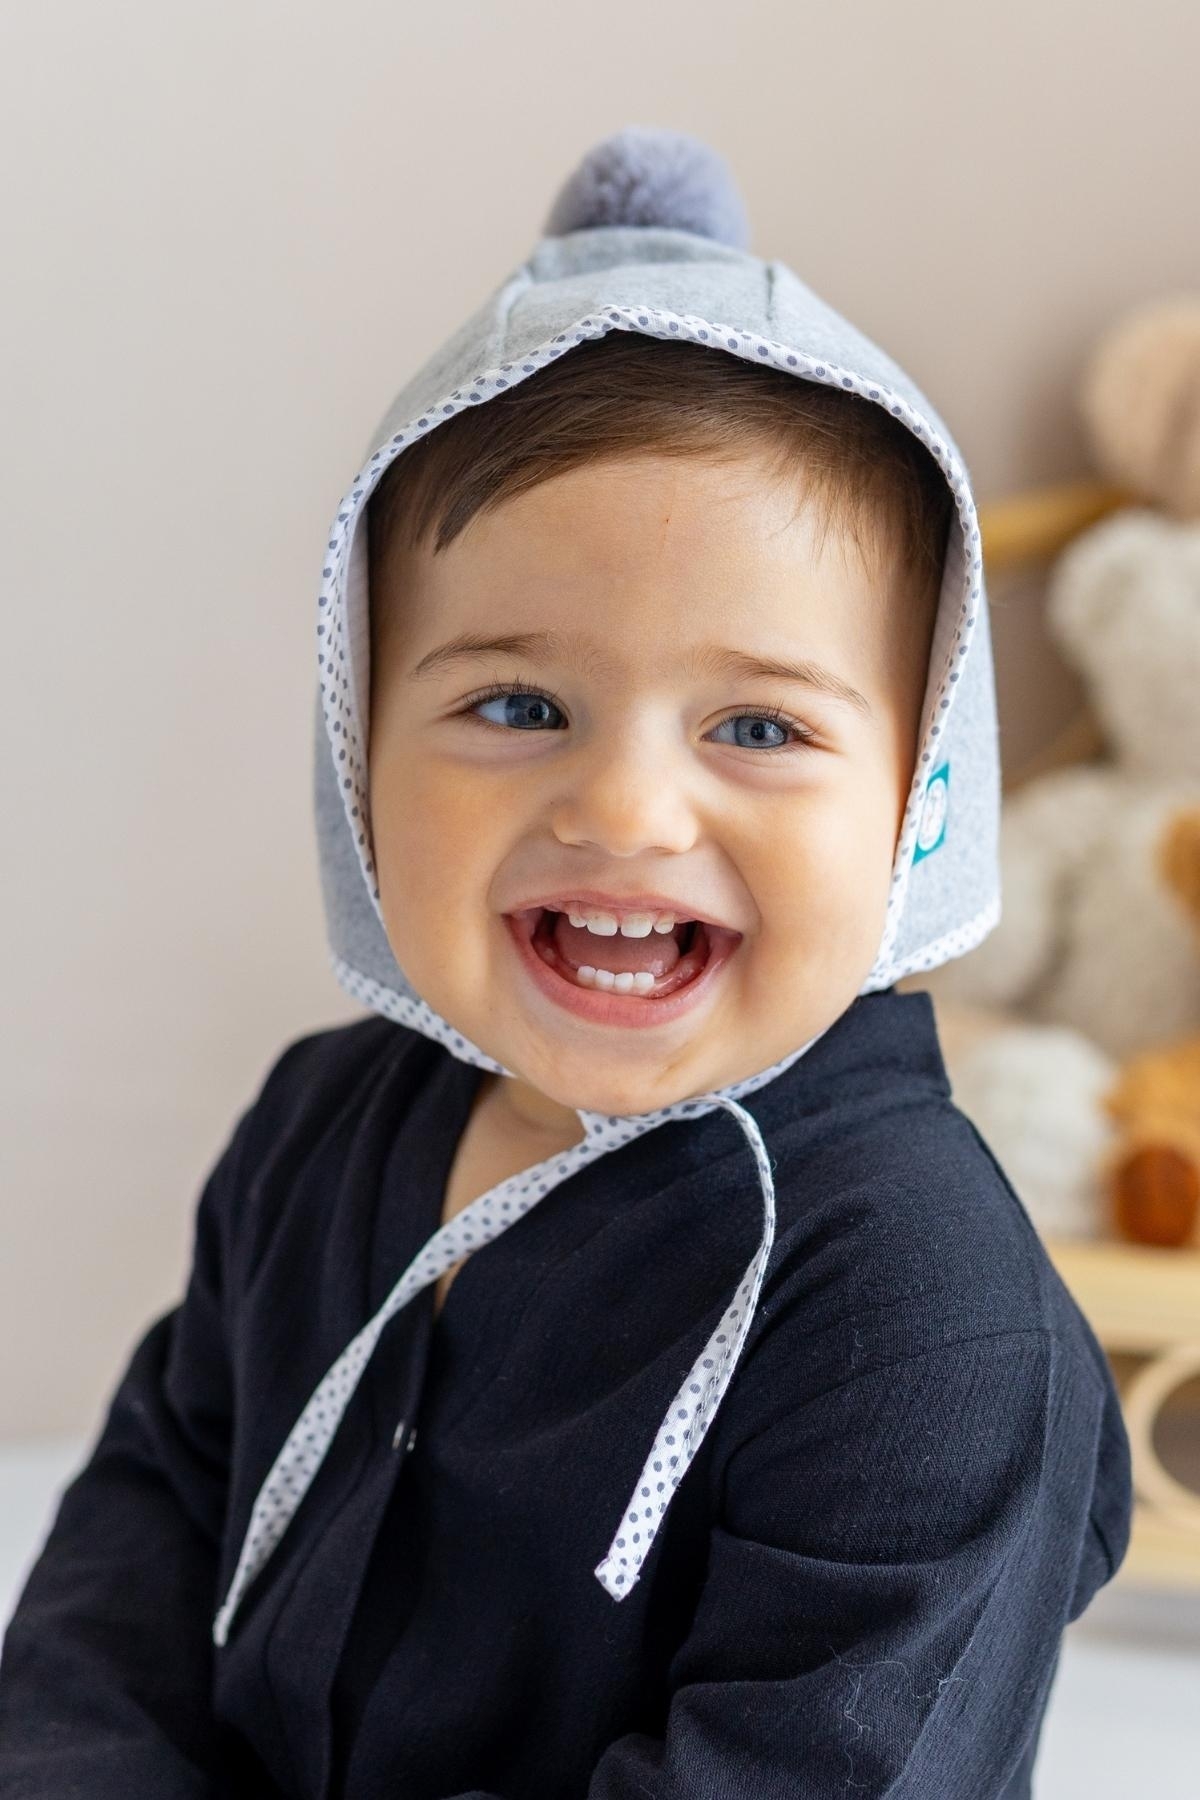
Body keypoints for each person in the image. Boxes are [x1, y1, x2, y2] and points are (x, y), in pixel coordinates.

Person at [0, 126, 1132, 1799]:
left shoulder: (922, 1320)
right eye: (517, 704)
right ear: (358, 752)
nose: (624, 809)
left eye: (758, 726)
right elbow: (143, 1533)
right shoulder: (319, 1127)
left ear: (918, 803)